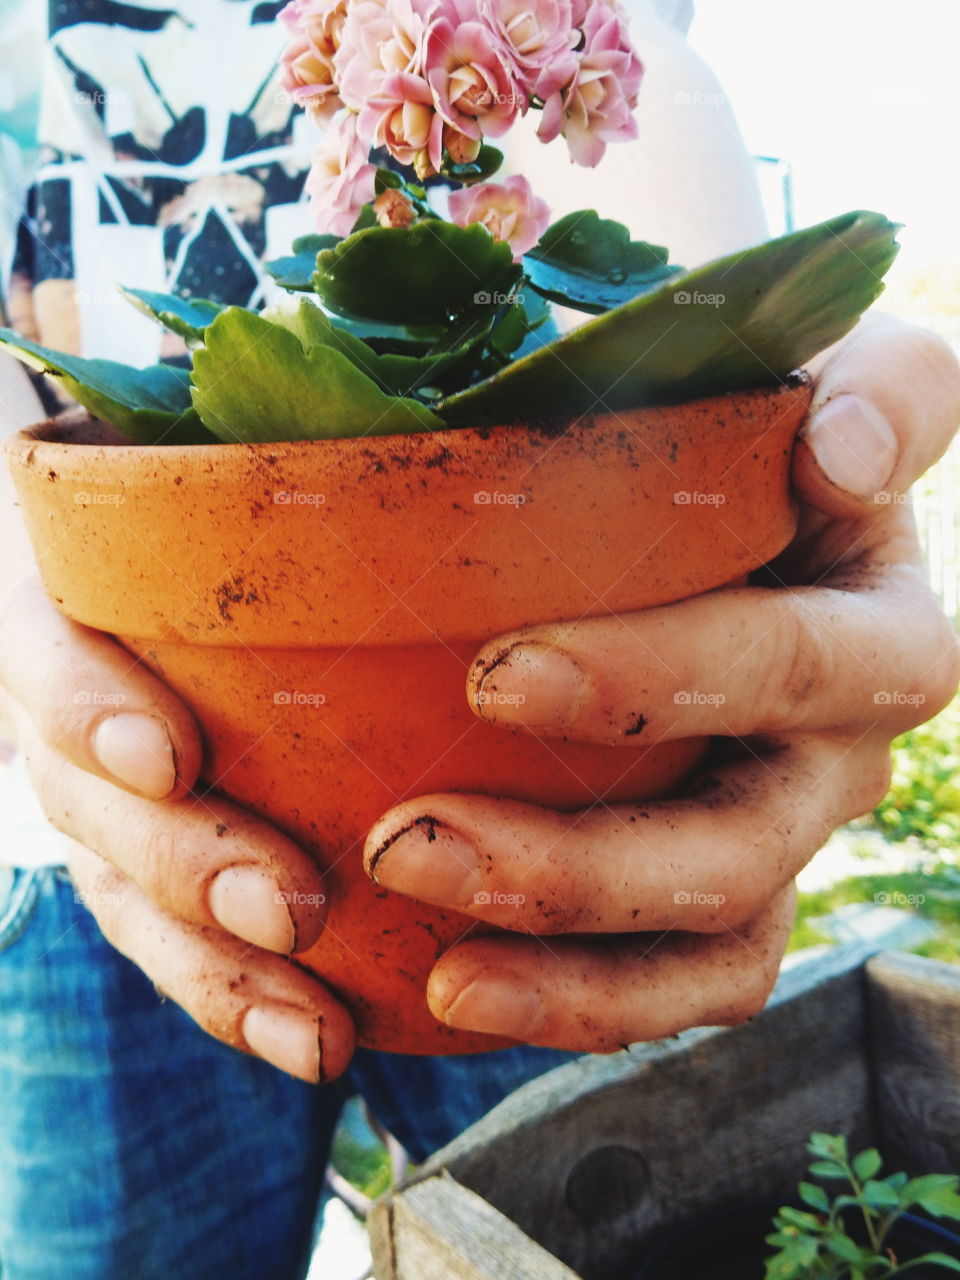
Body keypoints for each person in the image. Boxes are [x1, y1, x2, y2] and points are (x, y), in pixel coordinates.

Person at [1, 1, 958, 1276]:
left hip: (569, 862)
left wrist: (774, 461)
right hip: (90, 850)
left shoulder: (542, 34)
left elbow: (700, 337)